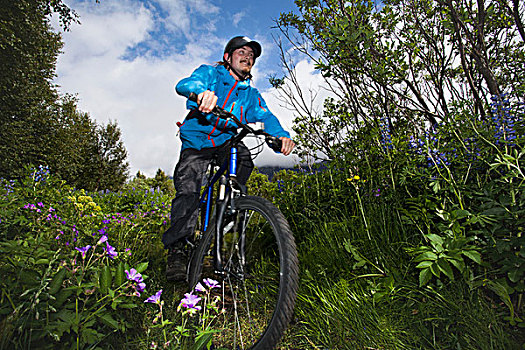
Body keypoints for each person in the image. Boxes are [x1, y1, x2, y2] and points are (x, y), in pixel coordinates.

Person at [163, 36, 295, 281]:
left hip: (225, 141)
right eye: (242, 52)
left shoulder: (251, 95)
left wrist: (281, 137)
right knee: (189, 188)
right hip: (197, 141)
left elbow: (267, 119)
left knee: (243, 159)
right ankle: (178, 249)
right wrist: (201, 93)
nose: (248, 57)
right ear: (228, 57)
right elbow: (185, 84)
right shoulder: (211, 74)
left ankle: (227, 219)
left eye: (252, 56)